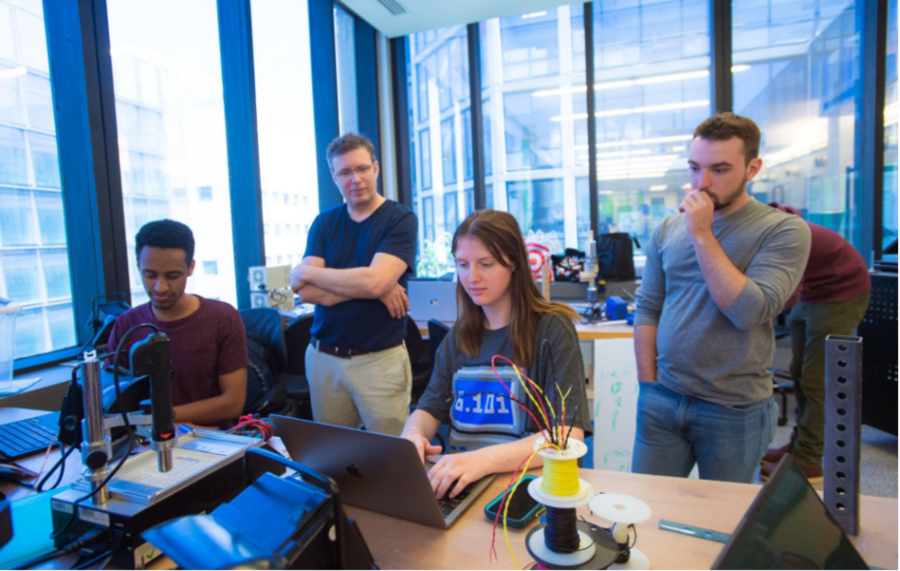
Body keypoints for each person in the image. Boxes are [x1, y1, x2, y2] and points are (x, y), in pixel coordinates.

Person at [632, 113, 812, 483]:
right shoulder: (667, 228)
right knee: (645, 512)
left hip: (734, 408)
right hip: (663, 398)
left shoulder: (783, 230)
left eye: (720, 169)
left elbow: (749, 311)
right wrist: (648, 386)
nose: (703, 182)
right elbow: (649, 308)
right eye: (695, 168)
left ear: (753, 168)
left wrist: (702, 234)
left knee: (723, 524)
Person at [402, 210, 592, 499]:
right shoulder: (458, 336)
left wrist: (482, 460)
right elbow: (429, 409)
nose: (472, 277)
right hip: (462, 489)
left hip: (524, 490)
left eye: (486, 264)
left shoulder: (551, 329)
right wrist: (413, 434)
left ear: (514, 262)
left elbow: (566, 436)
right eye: (462, 265)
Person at [290, 133, 417, 436]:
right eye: (345, 172)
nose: (355, 179)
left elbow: (371, 282)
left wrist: (308, 273)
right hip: (323, 359)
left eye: (361, 169)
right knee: (335, 458)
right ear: (334, 177)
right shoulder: (324, 222)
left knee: (392, 458)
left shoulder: (399, 220)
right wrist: (373, 286)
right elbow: (304, 291)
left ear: (376, 168)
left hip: (379, 361)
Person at [760, 203, 871, 482]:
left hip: (841, 293)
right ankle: (798, 446)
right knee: (799, 371)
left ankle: (809, 459)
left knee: (816, 379)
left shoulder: (785, 234)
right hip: (814, 293)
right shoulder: (766, 226)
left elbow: (786, 295)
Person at [107, 220, 248, 428]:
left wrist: (162, 417)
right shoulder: (127, 324)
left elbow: (233, 403)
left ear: (190, 267)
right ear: (138, 266)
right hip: (144, 441)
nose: (160, 287)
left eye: (172, 276)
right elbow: (111, 400)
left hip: (211, 441)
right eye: (150, 275)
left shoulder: (223, 318)